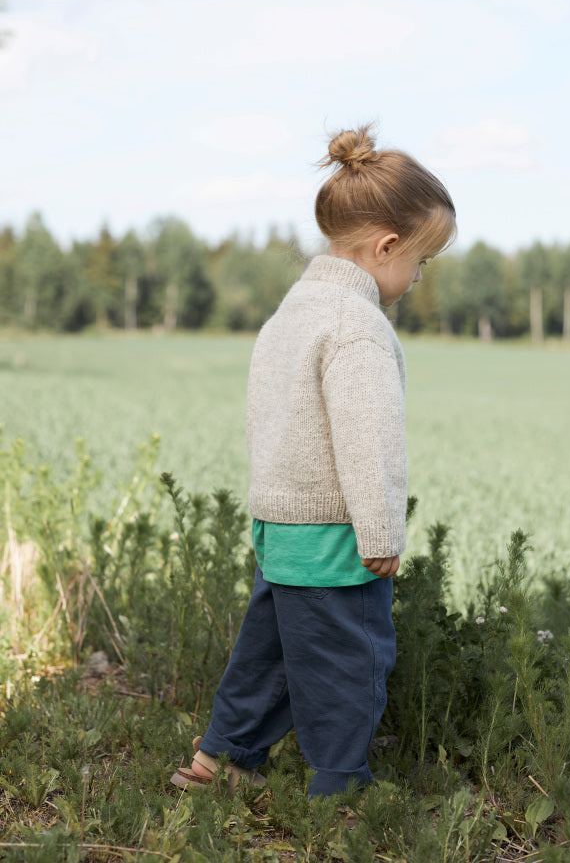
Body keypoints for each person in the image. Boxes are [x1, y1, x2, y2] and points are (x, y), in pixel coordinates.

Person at [171, 124, 456, 798]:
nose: (417, 278)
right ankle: (339, 792)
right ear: (385, 246)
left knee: (267, 657)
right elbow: (367, 438)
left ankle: (219, 761)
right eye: (420, 262)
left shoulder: (292, 311)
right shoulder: (356, 327)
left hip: (281, 528)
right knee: (346, 668)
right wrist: (381, 531)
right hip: (335, 536)